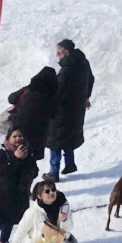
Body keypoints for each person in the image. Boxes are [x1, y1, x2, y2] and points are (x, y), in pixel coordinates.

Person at [46, 39, 93, 177]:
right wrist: (85, 97)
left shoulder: (66, 71)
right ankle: (70, 164)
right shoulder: (83, 63)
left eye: (59, 53)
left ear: (66, 52)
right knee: (69, 137)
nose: (57, 56)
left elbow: (57, 92)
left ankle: (53, 172)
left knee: (55, 140)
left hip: (62, 112)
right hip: (77, 109)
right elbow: (91, 79)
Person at [7, 66, 58, 157]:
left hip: (21, 128)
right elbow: (54, 113)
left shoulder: (29, 89)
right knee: (32, 159)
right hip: (39, 133)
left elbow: (11, 99)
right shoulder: (53, 96)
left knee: (19, 155)